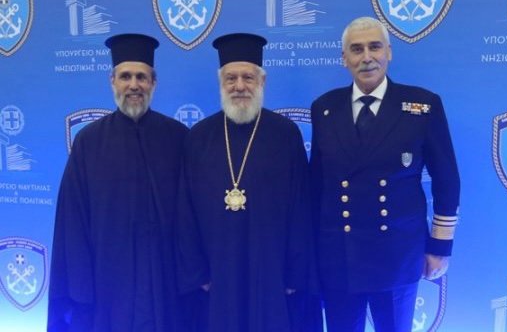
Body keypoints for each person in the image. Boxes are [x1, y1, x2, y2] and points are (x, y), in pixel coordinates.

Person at [310, 17, 460, 332]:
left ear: (388, 52)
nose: (367, 57)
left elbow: (446, 180)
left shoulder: (422, 105)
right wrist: (310, 249)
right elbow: (316, 186)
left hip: (397, 253)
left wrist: (439, 247)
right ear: (344, 58)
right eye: (356, 49)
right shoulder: (324, 108)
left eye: (375, 47)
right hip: (339, 255)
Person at [48, 33, 190, 332]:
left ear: (153, 83)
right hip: (109, 281)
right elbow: (73, 220)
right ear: (112, 81)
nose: (133, 85)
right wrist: (80, 287)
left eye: (141, 77)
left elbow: (192, 212)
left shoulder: (177, 138)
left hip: (164, 279)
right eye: (125, 76)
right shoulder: (89, 142)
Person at [176, 33, 316, 332]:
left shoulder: (285, 134)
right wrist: (198, 272)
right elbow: (185, 212)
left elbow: (301, 208)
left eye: (248, 78)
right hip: (216, 274)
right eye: (231, 78)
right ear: (221, 83)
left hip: (271, 271)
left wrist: (295, 272)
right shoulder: (199, 137)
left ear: (262, 82)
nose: (239, 86)